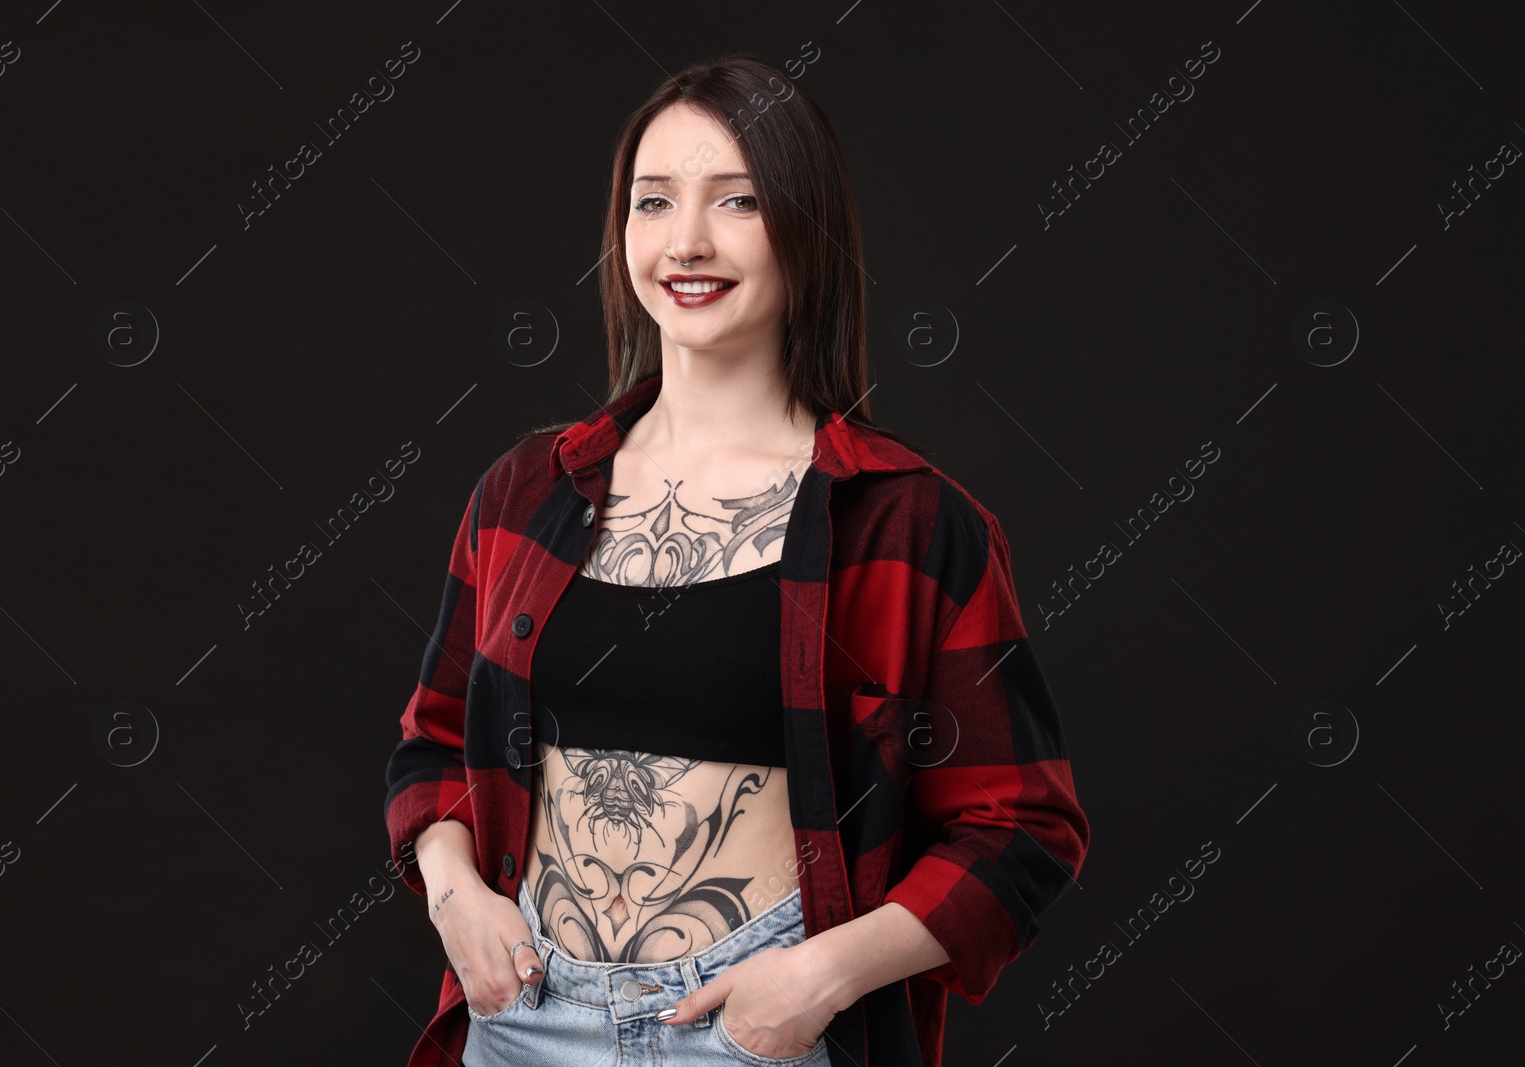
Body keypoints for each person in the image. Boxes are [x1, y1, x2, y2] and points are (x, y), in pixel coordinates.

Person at [383, 52, 1090, 1067]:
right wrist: (455, 898)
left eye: (739, 201)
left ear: (806, 228)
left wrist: (822, 975)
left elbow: (1021, 825)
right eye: (654, 200)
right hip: (523, 1013)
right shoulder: (523, 492)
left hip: (750, 1030)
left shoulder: (907, 520)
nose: (687, 242)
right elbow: (434, 742)